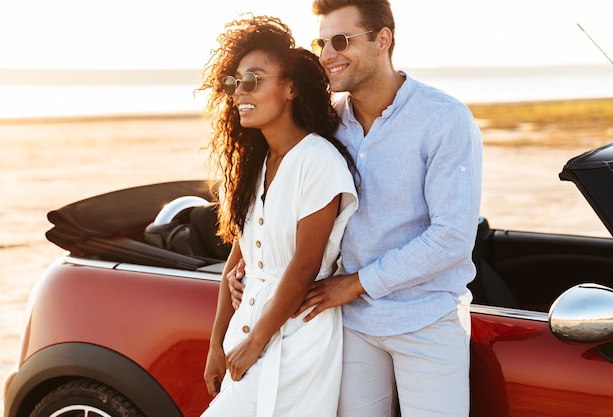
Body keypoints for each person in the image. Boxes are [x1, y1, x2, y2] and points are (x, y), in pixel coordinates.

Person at [228, 1, 483, 416]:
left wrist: (356, 283)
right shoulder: (327, 125)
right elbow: (280, 197)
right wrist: (247, 267)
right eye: (323, 42)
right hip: (350, 326)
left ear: (383, 40)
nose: (328, 54)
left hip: (427, 320)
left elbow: (452, 237)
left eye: (341, 41)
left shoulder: (444, 118)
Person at [198, 15, 358, 417]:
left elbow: (304, 264)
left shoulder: (318, 160)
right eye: (234, 82)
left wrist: (255, 345)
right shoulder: (257, 164)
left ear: (290, 89)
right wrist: (217, 344)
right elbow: (236, 263)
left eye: (252, 80)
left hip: (298, 340)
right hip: (246, 332)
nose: (239, 92)